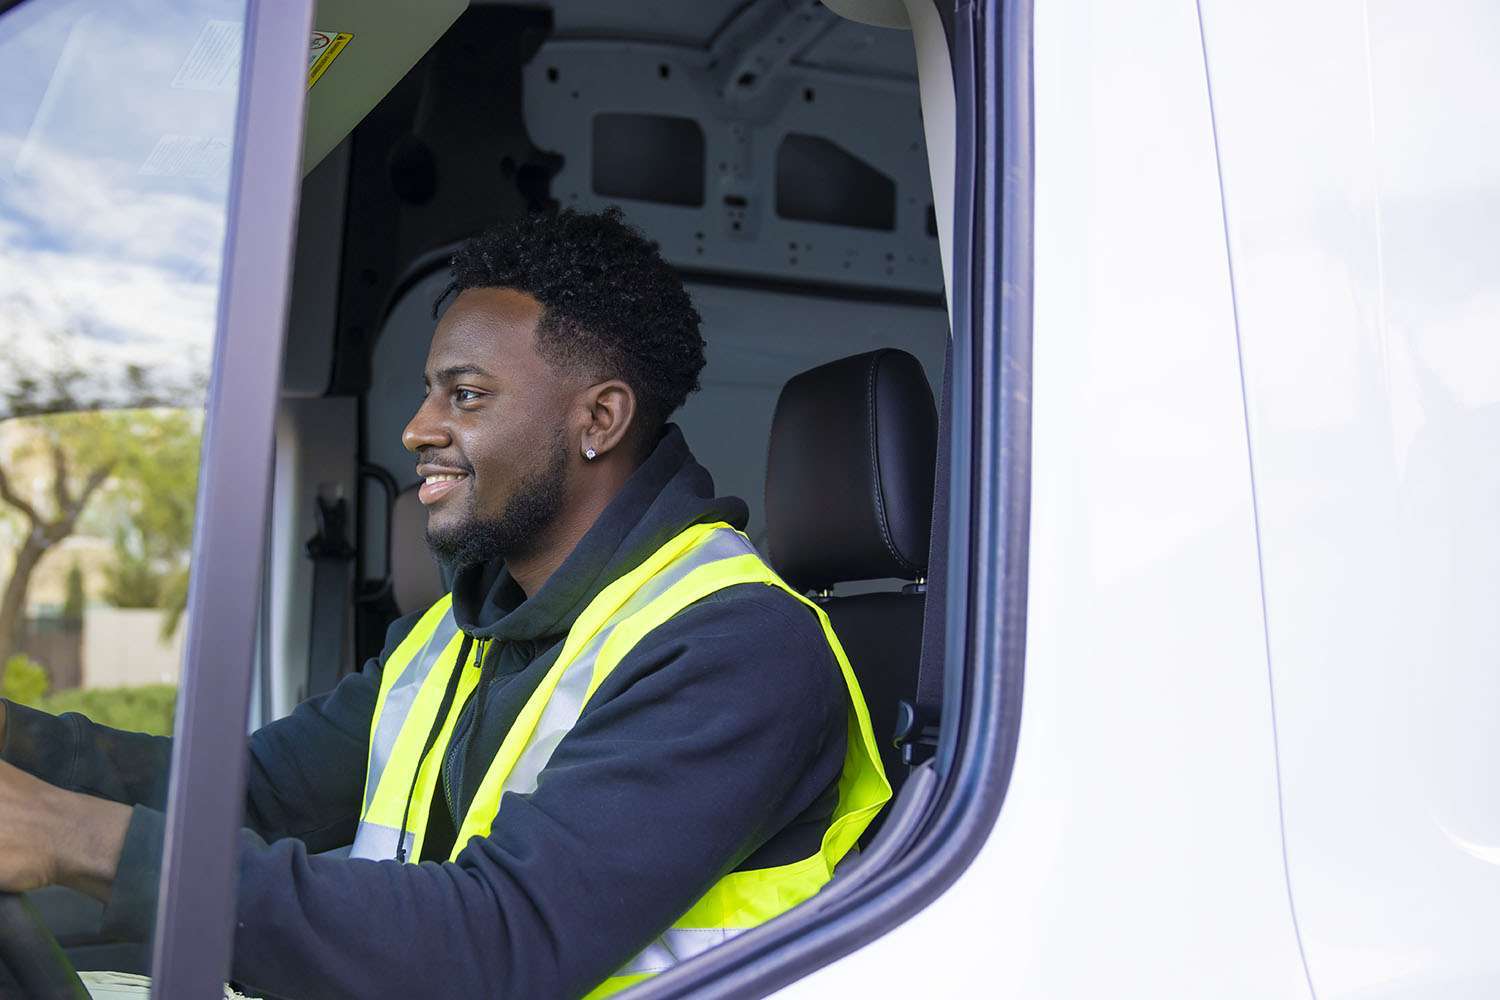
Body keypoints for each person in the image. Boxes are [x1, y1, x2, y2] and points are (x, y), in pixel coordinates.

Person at [0, 207, 889, 999]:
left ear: (600, 420)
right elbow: (252, 794)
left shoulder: (738, 647)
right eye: (431, 393)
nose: (417, 430)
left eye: (464, 395)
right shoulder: (459, 634)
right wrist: (14, 742)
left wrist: (83, 840)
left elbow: (501, 943)